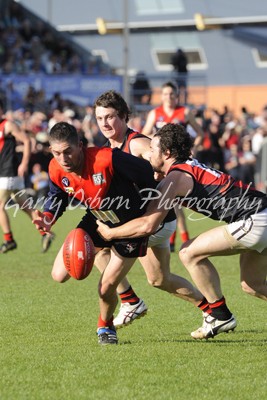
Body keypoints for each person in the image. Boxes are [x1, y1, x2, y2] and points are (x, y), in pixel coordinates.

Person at [96, 123, 267, 340]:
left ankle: (220, 315)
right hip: (261, 214)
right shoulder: (185, 167)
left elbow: (148, 224)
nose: (148, 153)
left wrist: (111, 234)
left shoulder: (175, 178)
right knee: (253, 285)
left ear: (166, 153)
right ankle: (219, 314)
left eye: (153, 149)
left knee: (188, 252)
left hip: (255, 219)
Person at [32, 121, 158, 345]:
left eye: (68, 151)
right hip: (98, 219)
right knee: (59, 274)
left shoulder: (107, 158)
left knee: (106, 286)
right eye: (58, 153)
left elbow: (149, 174)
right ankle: (132, 300)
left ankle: (105, 326)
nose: (64, 158)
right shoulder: (55, 167)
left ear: (80, 146)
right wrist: (48, 217)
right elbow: (58, 194)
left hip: (130, 225)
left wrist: (153, 212)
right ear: (51, 151)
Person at [93, 90, 205, 329]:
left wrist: (168, 177)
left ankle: (127, 304)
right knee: (159, 279)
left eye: (110, 117)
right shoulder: (107, 149)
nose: (105, 123)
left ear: (124, 117)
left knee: (94, 246)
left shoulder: (137, 144)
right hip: (151, 222)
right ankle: (213, 309)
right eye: (100, 118)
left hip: (152, 222)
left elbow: (166, 159)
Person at [142, 81, 204, 252]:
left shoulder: (184, 112)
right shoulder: (156, 113)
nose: (168, 97)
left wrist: (194, 149)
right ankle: (177, 240)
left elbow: (200, 133)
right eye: (165, 94)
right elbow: (144, 133)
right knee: (173, 202)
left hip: (179, 162)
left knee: (174, 202)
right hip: (161, 163)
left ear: (177, 96)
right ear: (161, 96)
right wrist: (155, 144)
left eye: (172, 94)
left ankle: (174, 240)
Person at [0, 100, 54, 254]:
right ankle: (45, 233)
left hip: (9, 171)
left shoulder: (8, 124)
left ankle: (9, 240)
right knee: (24, 205)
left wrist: (24, 163)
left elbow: (27, 141)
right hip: (5, 173)